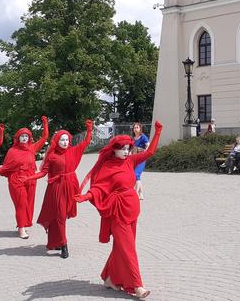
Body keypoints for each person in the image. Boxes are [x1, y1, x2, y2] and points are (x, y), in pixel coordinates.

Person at [74, 120, 162, 299]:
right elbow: (99, 188)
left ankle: (109, 278)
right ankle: (137, 286)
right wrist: (85, 196)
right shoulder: (107, 167)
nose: (127, 151)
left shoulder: (130, 160)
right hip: (117, 212)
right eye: (123, 148)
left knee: (121, 247)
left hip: (132, 210)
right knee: (128, 249)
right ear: (114, 148)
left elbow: (150, 152)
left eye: (129, 148)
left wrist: (158, 131)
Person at [23, 119, 93, 258]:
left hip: (71, 186)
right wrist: (29, 177)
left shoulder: (73, 151)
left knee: (61, 217)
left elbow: (85, 143)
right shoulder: (52, 156)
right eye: (62, 140)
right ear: (57, 141)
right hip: (57, 188)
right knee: (60, 216)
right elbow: (43, 172)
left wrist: (90, 130)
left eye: (67, 139)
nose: (65, 142)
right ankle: (64, 244)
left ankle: (54, 242)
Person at [0, 116, 49, 239]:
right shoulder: (12, 151)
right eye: (22, 136)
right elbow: (5, 168)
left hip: (30, 180)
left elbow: (44, 137)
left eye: (26, 136)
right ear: (18, 138)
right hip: (16, 180)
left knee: (28, 204)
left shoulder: (32, 148)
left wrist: (45, 123)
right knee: (21, 204)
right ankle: (21, 228)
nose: (24, 138)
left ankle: (23, 224)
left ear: (29, 138)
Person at [131, 123, 150, 200]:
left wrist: (144, 151)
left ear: (140, 129)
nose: (135, 129)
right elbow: (131, 148)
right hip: (134, 158)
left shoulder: (143, 137)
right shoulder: (133, 138)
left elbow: (148, 145)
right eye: (134, 128)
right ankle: (141, 194)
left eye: (137, 127)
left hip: (141, 158)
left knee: (136, 175)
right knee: (136, 177)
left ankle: (135, 193)